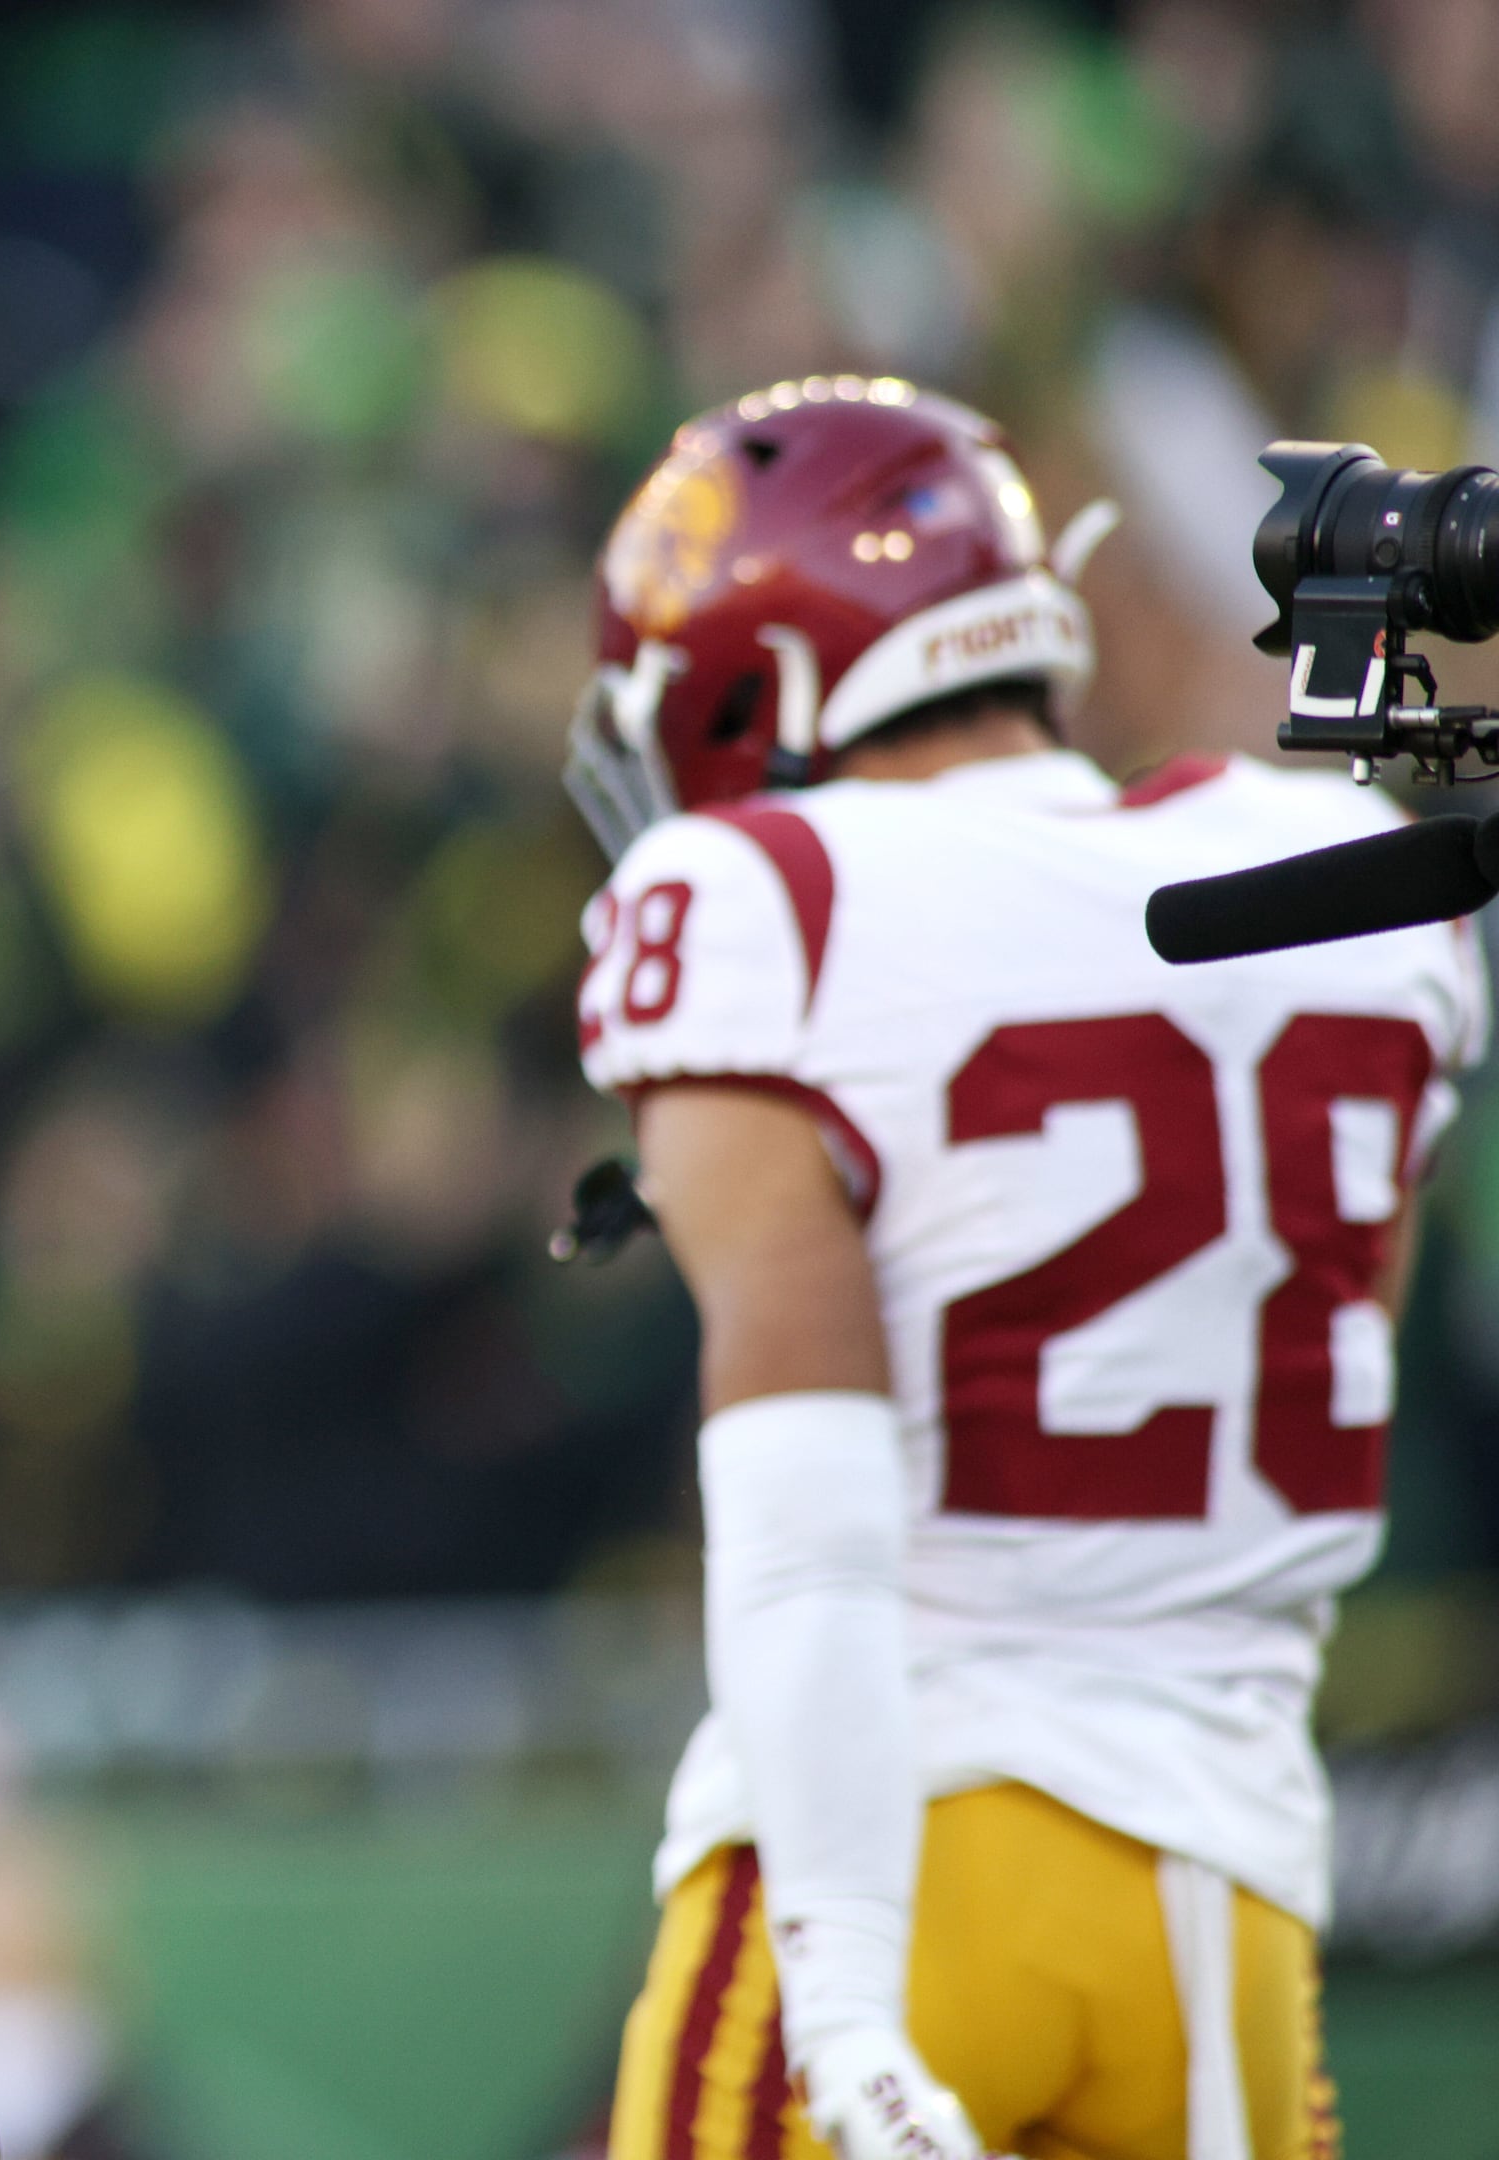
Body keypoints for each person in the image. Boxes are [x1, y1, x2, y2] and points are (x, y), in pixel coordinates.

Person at [566, 377, 1488, 2160]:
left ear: (747, 673)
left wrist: (842, 1987)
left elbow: (805, 1519)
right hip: (1228, 1898)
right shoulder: (1353, 873)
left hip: (899, 1847)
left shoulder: (770, 891)